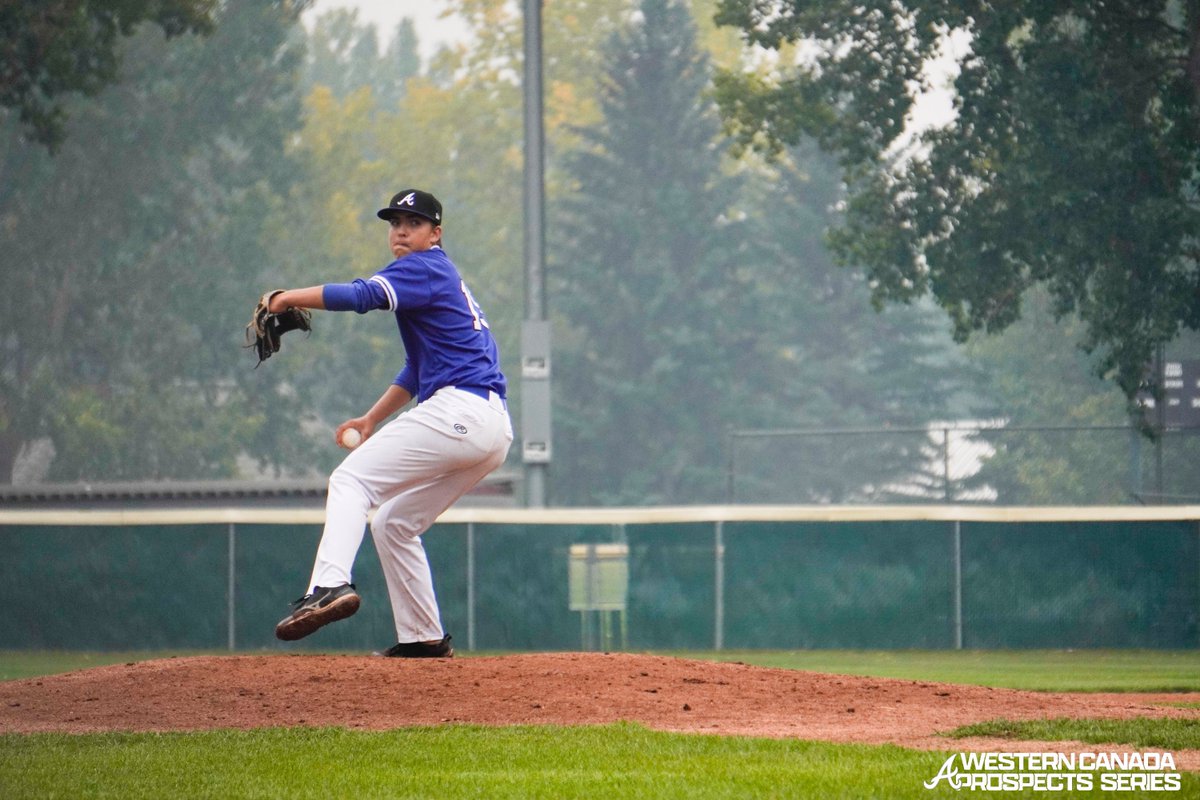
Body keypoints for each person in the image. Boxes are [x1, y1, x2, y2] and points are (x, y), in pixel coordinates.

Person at [269, 188, 512, 658]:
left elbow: (362, 296)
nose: (401, 230)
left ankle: (329, 585)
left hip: (461, 410)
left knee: (351, 480)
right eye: (395, 222)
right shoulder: (438, 277)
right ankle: (423, 637)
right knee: (395, 522)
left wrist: (285, 298)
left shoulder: (423, 267)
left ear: (435, 233)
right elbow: (416, 370)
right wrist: (373, 418)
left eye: (414, 222)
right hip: (489, 427)